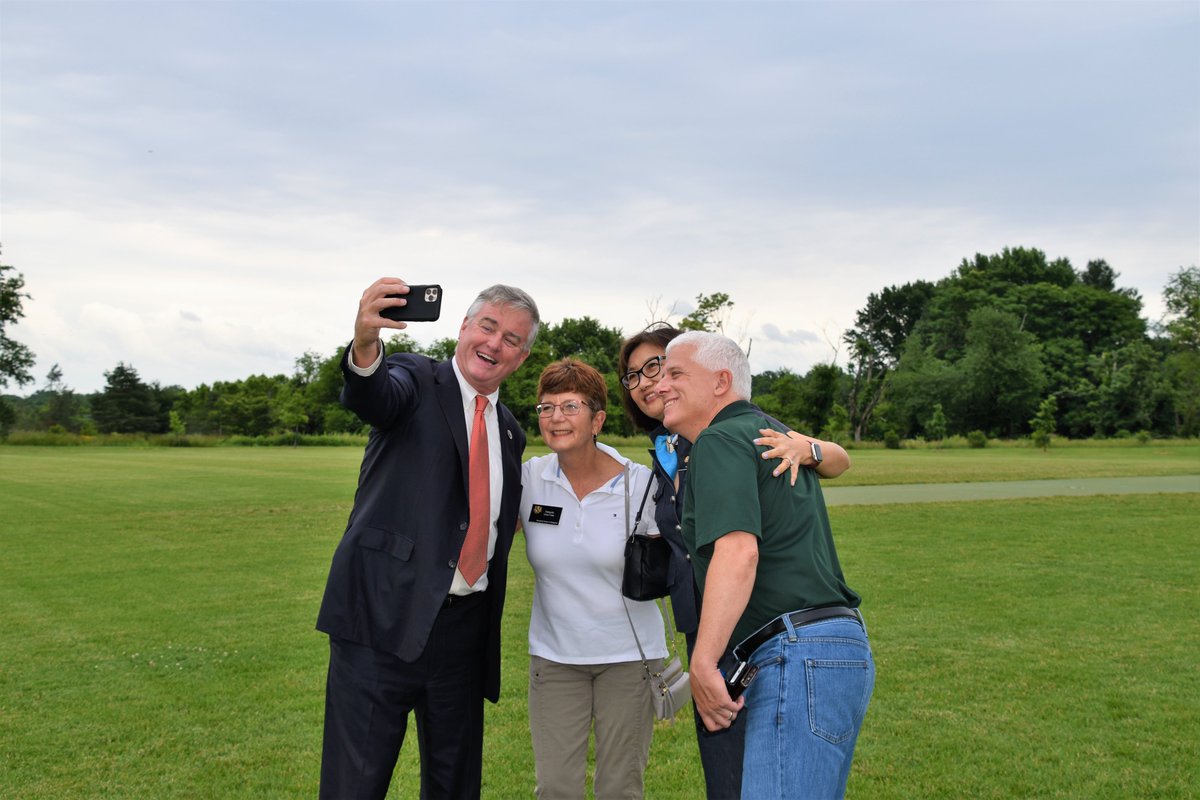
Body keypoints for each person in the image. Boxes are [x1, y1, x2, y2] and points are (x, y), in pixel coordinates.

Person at [316, 278, 540, 799]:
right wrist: (366, 342)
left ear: (521, 358)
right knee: (356, 784)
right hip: (381, 624)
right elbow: (372, 393)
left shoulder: (510, 431)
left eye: (512, 339)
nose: (494, 344)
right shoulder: (416, 378)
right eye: (488, 326)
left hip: (462, 637)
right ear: (463, 327)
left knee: (455, 786)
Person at [616, 323, 850, 799]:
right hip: (805, 641)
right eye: (636, 376)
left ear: (720, 381)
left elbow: (738, 550)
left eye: (667, 370)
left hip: (782, 641)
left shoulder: (725, 438)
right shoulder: (737, 434)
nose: (655, 384)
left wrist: (703, 660)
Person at [519, 358, 666, 800]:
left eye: (569, 406)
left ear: (598, 418)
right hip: (555, 658)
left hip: (629, 659)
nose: (556, 417)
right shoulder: (530, 478)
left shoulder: (641, 484)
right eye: (546, 408)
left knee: (620, 788)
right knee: (556, 788)